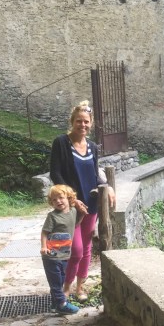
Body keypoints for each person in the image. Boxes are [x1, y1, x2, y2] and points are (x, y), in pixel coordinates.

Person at [49, 100, 115, 301]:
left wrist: (108, 186)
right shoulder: (61, 143)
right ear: (72, 121)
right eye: (79, 121)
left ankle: (80, 287)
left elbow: (95, 174)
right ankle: (66, 287)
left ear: (91, 123)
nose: (83, 125)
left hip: (90, 205)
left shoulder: (92, 147)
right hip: (70, 207)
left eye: (86, 122)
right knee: (76, 250)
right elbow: (56, 173)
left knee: (86, 248)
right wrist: (73, 199)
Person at [40, 184, 82, 315]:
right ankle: (62, 304)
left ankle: (55, 304)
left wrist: (82, 212)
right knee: (55, 281)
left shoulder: (73, 212)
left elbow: (75, 224)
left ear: (69, 198)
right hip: (51, 255)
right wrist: (44, 246)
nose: (58, 201)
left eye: (61, 197)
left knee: (60, 279)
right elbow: (44, 232)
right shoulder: (52, 216)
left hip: (64, 254)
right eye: (54, 200)